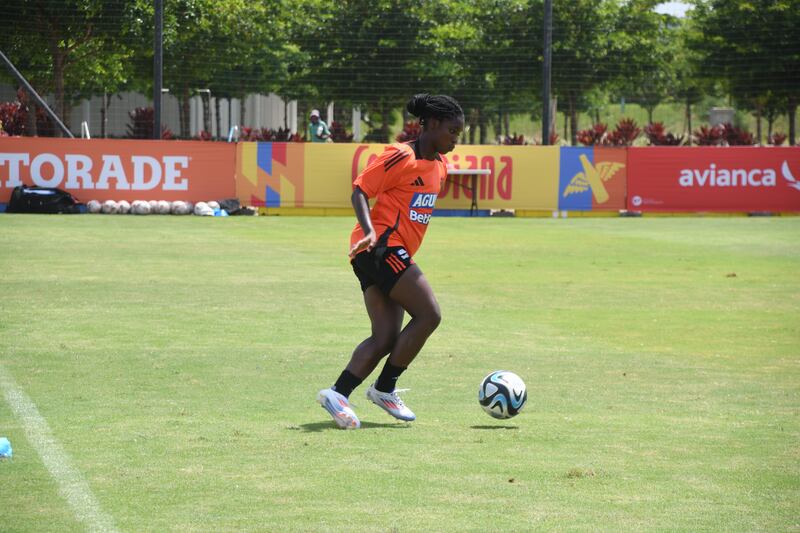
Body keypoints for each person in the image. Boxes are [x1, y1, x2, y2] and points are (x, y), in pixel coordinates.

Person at [317, 93, 464, 429]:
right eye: (452, 131)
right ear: (433, 124)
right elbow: (359, 190)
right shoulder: (400, 155)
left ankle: (338, 393)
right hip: (379, 248)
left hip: (387, 253)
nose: (456, 139)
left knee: (385, 337)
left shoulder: (440, 166)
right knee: (429, 314)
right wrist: (369, 230)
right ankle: (385, 387)